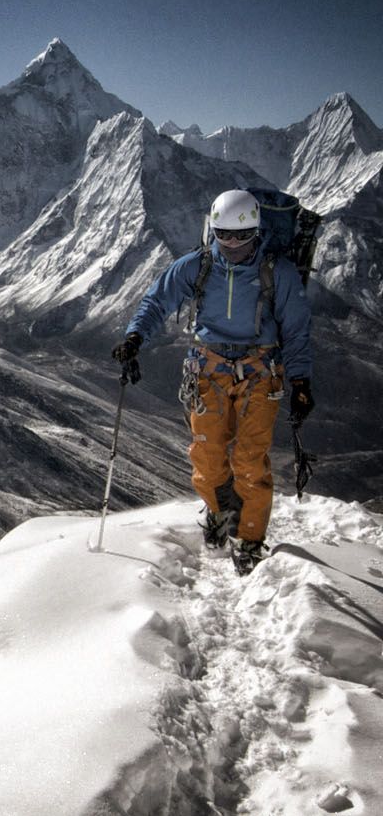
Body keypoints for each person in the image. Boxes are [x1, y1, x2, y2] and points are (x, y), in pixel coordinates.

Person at [112, 189, 314, 575]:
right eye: (224, 235)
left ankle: (249, 539)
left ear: (257, 231)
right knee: (207, 456)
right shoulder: (199, 264)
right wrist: (135, 337)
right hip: (209, 369)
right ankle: (222, 512)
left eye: (242, 236)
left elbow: (297, 328)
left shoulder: (278, 271)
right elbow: (157, 300)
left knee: (250, 459)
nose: (232, 244)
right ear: (213, 230)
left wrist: (301, 380)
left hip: (260, 371)